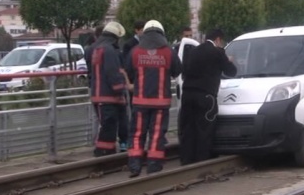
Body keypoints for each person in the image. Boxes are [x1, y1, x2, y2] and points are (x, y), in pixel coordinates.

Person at [125, 20, 182, 177]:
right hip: (160, 102)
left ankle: (135, 165)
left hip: (139, 101)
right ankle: (154, 165)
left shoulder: (135, 51)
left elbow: (128, 72)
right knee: (157, 133)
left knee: (137, 133)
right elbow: (177, 71)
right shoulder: (169, 52)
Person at [178, 28, 237, 166]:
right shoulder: (217, 52)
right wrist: (228, 60)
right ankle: (202, 160)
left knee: (188, 128)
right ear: (218, 40)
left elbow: (185, 69)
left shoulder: (193, 51)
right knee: (204, 129)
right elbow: (231, 72)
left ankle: (186, 159)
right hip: (206, 96)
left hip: (187, 94)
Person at [84, 21, 130, 157]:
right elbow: (113, 72)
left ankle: (106, 153)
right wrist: (120, 89)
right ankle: (102, 152)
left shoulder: (98, 48)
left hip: (99, 94)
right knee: (109, 125)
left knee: (108, 124)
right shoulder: (109, 50)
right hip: (109, 95)